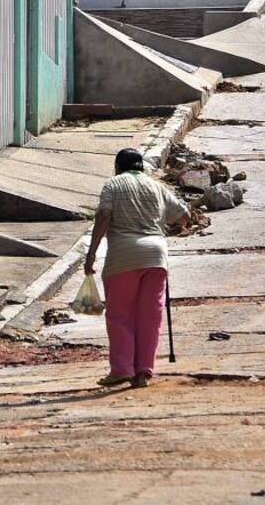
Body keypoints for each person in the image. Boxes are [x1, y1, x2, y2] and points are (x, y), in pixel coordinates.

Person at [85, 148, 192, 389]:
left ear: (117, 167)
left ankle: (122, 369)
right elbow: (184, 215)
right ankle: (143, 371)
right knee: (150, 316)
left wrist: (91, 253)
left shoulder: (113, 184)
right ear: (141, 166)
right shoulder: (156, 187)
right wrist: (162, 226)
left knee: (120, 314)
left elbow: (104, 214)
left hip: (123, 257)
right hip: (156, 256)